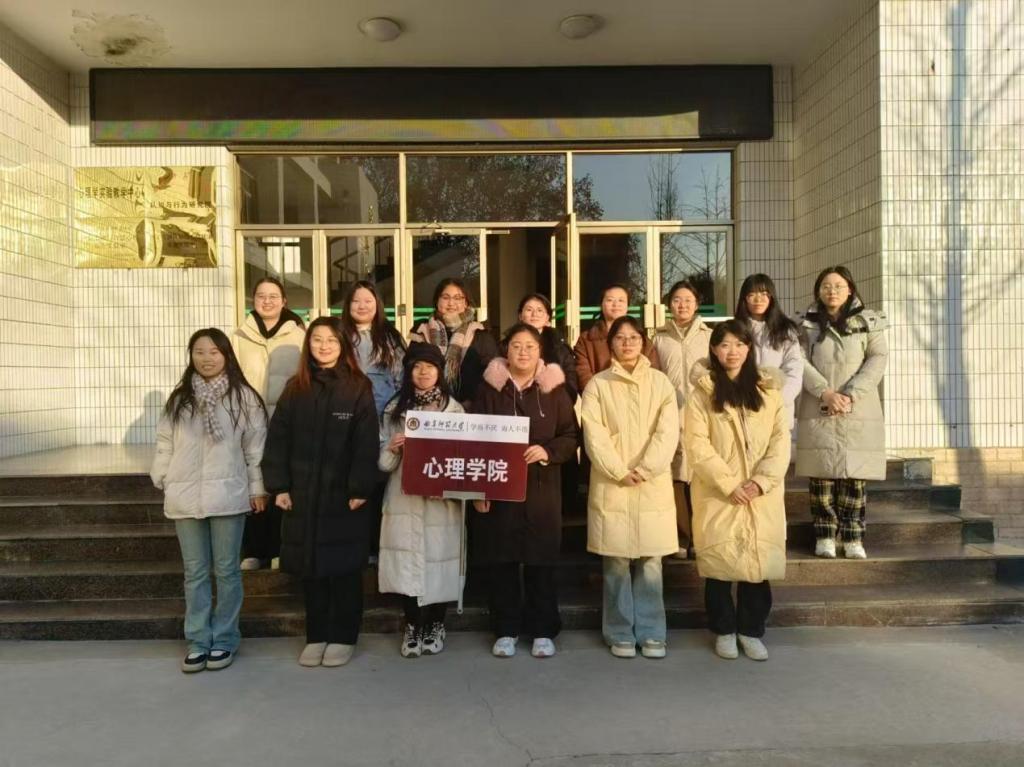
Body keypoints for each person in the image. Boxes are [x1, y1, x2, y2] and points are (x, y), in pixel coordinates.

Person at [260, 317, 379, 668]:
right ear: (308, 345)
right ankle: (316, 634)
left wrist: (360, 486)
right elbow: (278, 439)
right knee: (311, 568)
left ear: (342, 345)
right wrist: (279, 485)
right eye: (317, 340)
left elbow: (366, 442)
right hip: (303, 493)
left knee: (344, 568)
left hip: (343, 494)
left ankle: (343, 635)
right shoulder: (296, 387)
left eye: (331, 340)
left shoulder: (357, 387)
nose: (324, 346)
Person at [151, 328, 267, 674]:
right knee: (195, 572)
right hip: (185, 495)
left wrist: (257, 488)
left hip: (227, 494)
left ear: (226, 355)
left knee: (227, 571)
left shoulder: (244, 398)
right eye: (199, 352)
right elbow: (164, 442)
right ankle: (199, 640)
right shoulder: (180, 399)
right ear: (191, 356)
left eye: (214, 352)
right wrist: (162, 475)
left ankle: (225, 638)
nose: (206, 358)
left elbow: (255, 449)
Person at [471, 323, 578, 659]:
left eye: (530, 346)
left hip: (542, 487)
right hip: (500, 486)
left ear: (540, 351)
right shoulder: (489, 389)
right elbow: (475, 440)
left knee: (540, 562)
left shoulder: (554, 389)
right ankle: (506, 629)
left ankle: (543, 630)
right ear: (506, 349)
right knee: (502, 562)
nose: (523, 352)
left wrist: (548, 451)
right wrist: (479, 489)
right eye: (516, 345)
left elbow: (570, 435)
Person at [684, 319, 789, 661]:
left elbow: (780, 441)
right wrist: (729, 484)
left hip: (761, 493)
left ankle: (751, 631)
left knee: (757, 566)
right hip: (719, 492)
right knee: (720, 565)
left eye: (740, 344)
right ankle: (724, 630)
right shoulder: (702, 393)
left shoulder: (768, 392)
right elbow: (697, 445)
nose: (733, 351)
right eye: (725, 344)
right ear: (714, 350)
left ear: (749, 349)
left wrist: (761, 481)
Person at [582, 316, 679, 659]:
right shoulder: (597, 385)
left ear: (643, 342)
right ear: (610, 343)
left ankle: (652, 632)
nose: (627, 343)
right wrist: (619, 471)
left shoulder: (661, 383)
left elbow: (668, 432)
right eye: (620, 338)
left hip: (652, 482)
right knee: (616, 562)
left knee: (652, 561)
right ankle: (619, 631)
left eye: (633, 337)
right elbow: (593, 434)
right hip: (614, 482)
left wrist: (646, 468)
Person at [796, 267, 888, 560]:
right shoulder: (806, 324)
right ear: (818, 291)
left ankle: (852, 537)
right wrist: (825, 392)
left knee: (854, 478)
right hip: (820, 404)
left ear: (850, 289)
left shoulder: (869, 322)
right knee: (821, 477)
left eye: (838, 285)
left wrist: (849, 394)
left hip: (856, 407)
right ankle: (824, 534)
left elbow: (877, 359)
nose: (832, 291)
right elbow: (799, 361)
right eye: (826, 286)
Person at [378, 342, 463, 658]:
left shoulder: (454, 410)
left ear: (440, 372)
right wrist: (392, 448)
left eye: (430, 366)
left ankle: (436, 624)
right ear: (409, 371)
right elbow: (382, 464)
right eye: (417, 366)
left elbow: (464, 456)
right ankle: (413, 625)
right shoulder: (394, 408)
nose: (424, 372)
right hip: (404, 498)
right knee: (408, 563)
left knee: (441, 561)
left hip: (441, 500)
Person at [231, 276, 304, 572]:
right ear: (254, 300)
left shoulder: (299, 336)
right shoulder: (239, 336)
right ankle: (254, 551)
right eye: (261, 296)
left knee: (281, 485)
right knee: (252, 484)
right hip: (249, 423)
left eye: (274, 296)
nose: (267, 301)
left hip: (286, 422)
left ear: (284, 301)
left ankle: (278, 550)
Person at [340, 279, 407, 559]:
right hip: (346, 418)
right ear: (348, 305)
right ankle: (352, 548)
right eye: (356, 301)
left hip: (383, 419)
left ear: (377, 304)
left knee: (380, 480)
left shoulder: (390, 337)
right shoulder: (339, 335)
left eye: (368, 301)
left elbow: (401, 379)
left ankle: (376, 551)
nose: (362, 306)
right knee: (351, 481)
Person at [651, 280, 713, 560]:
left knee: (700, 475)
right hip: (671, 414)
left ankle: (701, 537)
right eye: (677, 300)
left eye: (688, 300)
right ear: (669, 305)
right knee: (676, 476)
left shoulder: (710, 337)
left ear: (697, 303)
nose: (682, 305)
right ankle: (681, 536)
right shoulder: (658, 338)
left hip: (703, 413)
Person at [410, 278, 498, 406]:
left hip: (470, 408)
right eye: (445, 297)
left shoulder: (480, 333)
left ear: (466, 303)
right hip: (427, 407)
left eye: (458, 298)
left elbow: (491, 373)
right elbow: (410, 368)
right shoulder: (422, 330)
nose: (451, 303)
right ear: (437, 301)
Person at [734, 273, 804, 426]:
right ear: (744, 299)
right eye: (752, 295)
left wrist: (776, 400)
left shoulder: (786, 330)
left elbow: (794, 369)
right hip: (743, 409)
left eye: (764, 294)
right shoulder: (734, 329)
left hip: (778, 411)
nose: (758, 299)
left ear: (772, 297)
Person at [574, 284, 660, 393]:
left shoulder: (641, 339)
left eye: (621, 300)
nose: (616, 304)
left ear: (627, 306)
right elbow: (583, 375)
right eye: (610, 300)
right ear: (601, 304)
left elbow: (653, 373)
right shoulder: (586, 340)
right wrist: (598, 396)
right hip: (600, 398)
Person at [517, 293, 579, 401]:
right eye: (529, 310)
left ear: (547, 318)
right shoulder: (508, 345)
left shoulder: (559, 346)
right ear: (520, 316)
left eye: (540, 310)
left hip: (554, 404)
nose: (534, 314)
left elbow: (571, 384)